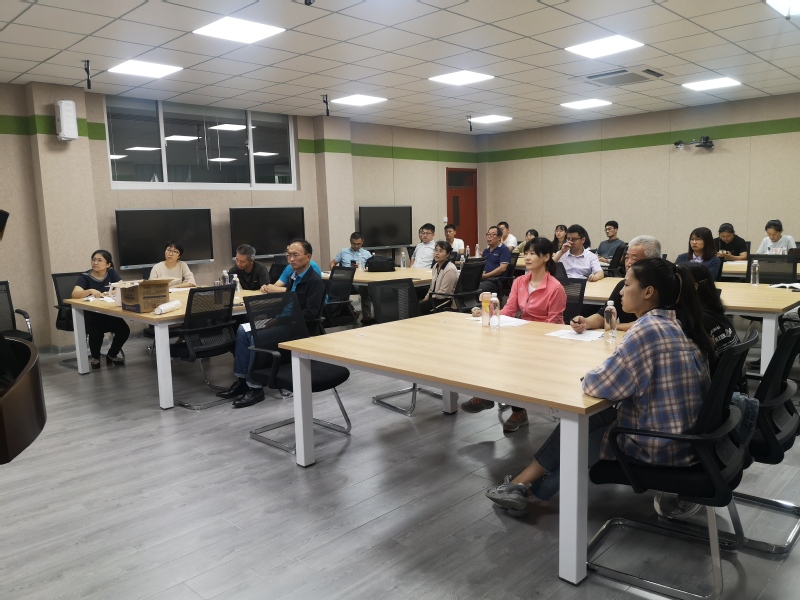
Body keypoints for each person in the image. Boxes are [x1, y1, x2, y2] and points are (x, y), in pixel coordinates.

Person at [485, 258, 714, 516]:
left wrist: (588, 375)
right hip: (684, 438)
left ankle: (523, 488)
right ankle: (521, 487)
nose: (621, 291)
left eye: (627, 284)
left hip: (661, 446)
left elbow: (598, 385)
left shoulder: (648, 329)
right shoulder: (674, 323)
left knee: (580, 430)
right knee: (596, 420)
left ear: (648, 292)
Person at [654, 262, 759, 519]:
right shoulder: (715, 314)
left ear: (691, 287)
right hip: (726, 403)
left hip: (707, 413)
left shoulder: (692, 322)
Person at [462, 238, 567, 432]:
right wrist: (487, 311)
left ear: (546, 257)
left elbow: (553, 324)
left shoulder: (555, 288)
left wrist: (527, 336)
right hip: (523, 335)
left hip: (547, 341)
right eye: (526, 253)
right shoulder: (520, 281)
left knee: (512, 360)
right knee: (490, 349)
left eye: (532, 254)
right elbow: (509, 311)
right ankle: (487, 394)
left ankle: (512, 408)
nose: (527, 257)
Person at [218, 240, 326, 408]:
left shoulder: (314, 281)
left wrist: (277, 320)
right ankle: (242, 380)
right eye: (289, 255)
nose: (291, 259)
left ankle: (255, 387)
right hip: (284, 320)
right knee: (242, 330)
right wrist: (268, 314)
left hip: (297, 327)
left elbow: (310, 314)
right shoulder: (293, 276)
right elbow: (287, 303)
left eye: (295, 255)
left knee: (255, 337)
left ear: (308, 257)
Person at [570, 235, 662, 334]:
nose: (628, 263)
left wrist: (614, 326)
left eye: (634, 259)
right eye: (627, 258)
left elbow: (652, 323)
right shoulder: (623, 285)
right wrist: (585, 322)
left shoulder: (663, 287)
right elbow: (603, 316)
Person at [71, 249, 130, 369]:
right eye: (93, 260)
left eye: (99, 260)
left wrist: (107, 293)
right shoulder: (85, 277)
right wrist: (89, 291)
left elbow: (122, 287)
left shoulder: (111, 272)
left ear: (108, 264)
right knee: (96, 332)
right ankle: (95, 357)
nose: (95, 263)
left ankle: (111, 355)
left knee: (124, 330)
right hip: (92, 313)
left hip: (109, 312)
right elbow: (74, 294)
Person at [331, 231, 373, 322]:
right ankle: (352, 311)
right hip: (345, 280)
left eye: (358, 244)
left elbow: (371, 267)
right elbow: (332, 263)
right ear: (350, 242)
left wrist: (361, 267)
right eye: (354, 244)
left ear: (362, 242)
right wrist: (334, 273)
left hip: (360, 280)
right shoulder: (343, 252)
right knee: (336, 290)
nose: (356, 246)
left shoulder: (367, 254)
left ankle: (367, 316)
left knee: (365, 289)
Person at [419, 241, 459, 314]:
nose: (437, 253)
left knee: (419, 309)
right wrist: (426, 298)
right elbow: (432, 288)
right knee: (416, 304)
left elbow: (444, 292)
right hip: (435, 297)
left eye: (440, 251)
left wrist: (430, 297)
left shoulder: (450, 269)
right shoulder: (435, 266)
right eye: (436, 250)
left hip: (446, 300)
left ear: (447, 254)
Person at [479, 225, 511, 293]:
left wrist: (486, 276)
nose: (489, 237)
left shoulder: (504, 249)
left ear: (499, 237)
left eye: (493, 234)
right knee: (466, 285)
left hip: (495, 280)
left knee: (479, 289)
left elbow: (502, 268)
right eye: (488, 234)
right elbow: (483, 266)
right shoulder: (486, 251)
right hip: (484, 278)